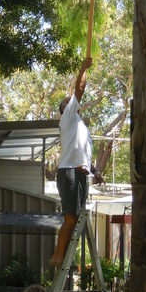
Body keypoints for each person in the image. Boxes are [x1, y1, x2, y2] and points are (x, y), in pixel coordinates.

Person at [50, 56, 103, 267]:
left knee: (77, 220)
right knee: (71, 218)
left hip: (80, 174)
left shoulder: (81, 127)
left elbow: (84, 155)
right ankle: (58, 257)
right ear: (65, 108)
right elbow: (79, 89)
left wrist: (96, 172)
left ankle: (65, 257)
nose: (70, 100)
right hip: (69, 173)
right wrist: (83, 67)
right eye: (68, 101)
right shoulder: (68, 117)